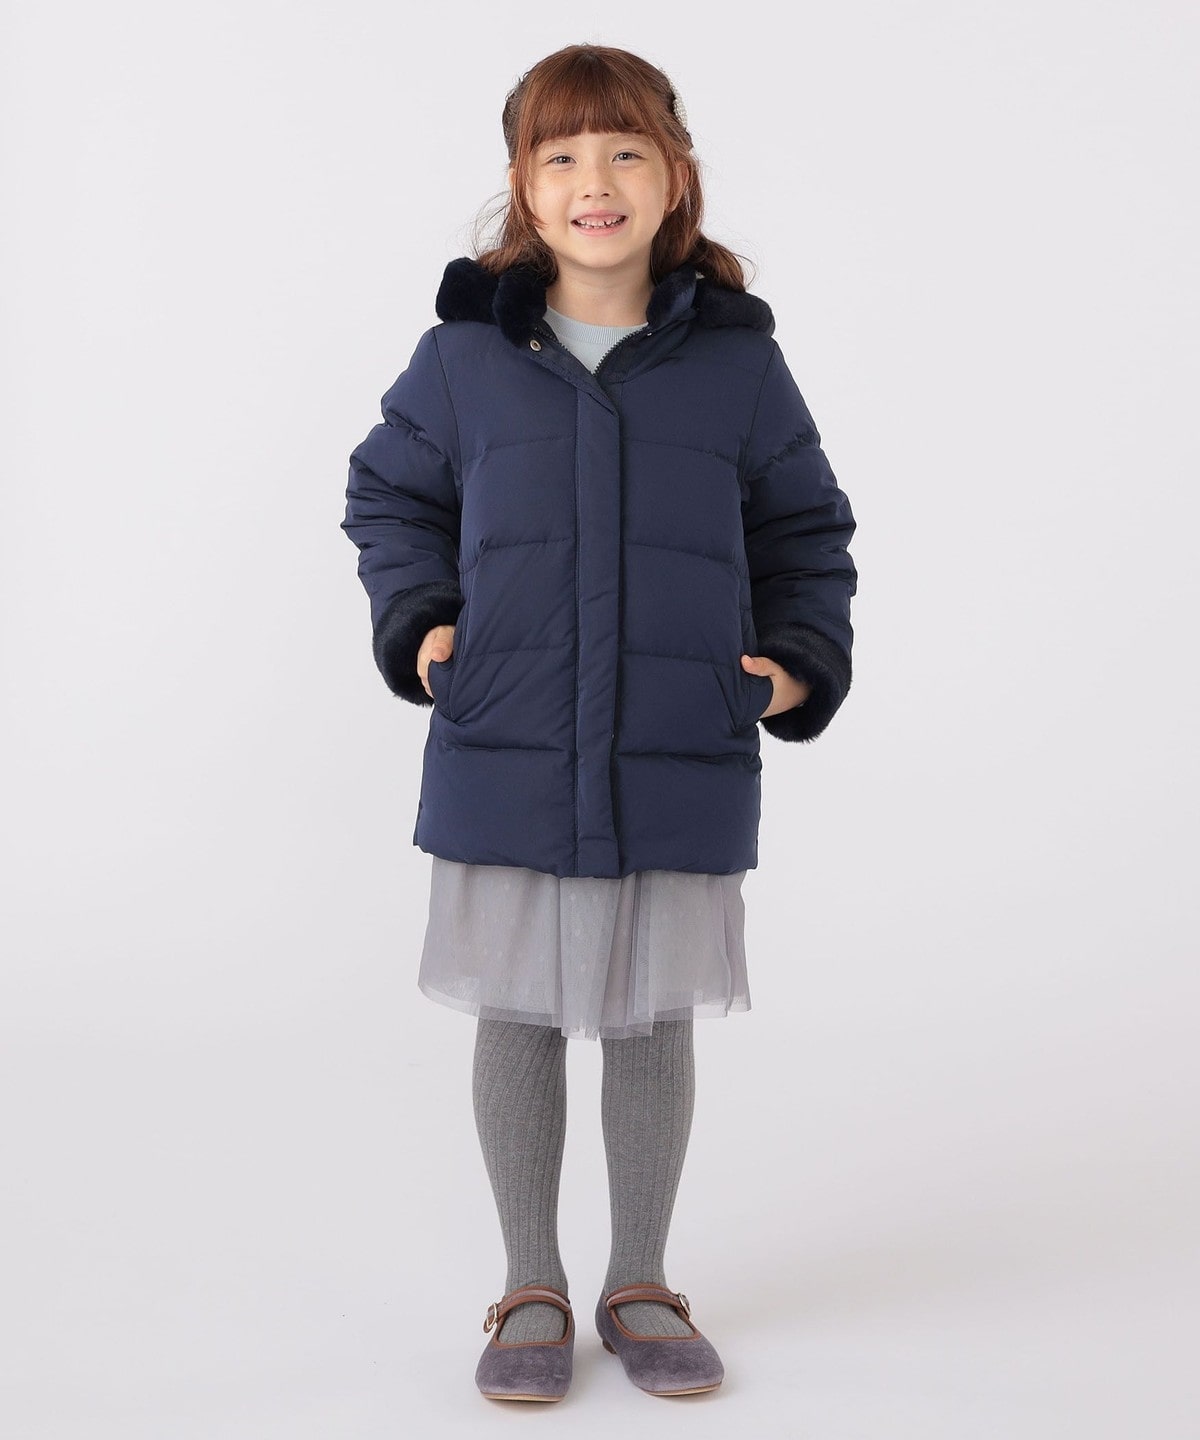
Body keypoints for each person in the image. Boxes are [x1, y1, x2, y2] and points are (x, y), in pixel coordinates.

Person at [340, 42, 857, 1403]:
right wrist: (424, 624)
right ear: (524, 185)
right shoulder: (464, 358)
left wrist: (792, 669)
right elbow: (389, 496)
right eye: (562, 154)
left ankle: (640, 1279)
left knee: (648, 1018)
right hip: (507, 733)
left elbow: (806, 530)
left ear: (675, 176)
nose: (596, 181)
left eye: (626, 150)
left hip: (677, 735)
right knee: (516, 1012)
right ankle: (530, 1283)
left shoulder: (739, 367)